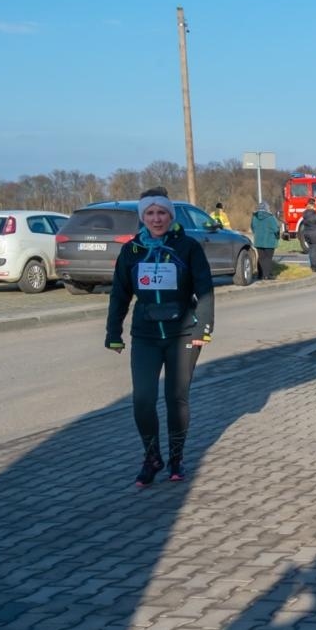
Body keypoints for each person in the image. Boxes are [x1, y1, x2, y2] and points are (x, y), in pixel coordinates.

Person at [105, 189, 215, 487]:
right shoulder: (132, 250)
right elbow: (119, 294)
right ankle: (152, 457)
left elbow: (204, 290)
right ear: (143, 217)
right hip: (146, 335)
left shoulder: (188, 247)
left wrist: (203, 328)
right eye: (150, 213)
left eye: (162, 213)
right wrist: (113, 332)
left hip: (182, 334)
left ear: (170, 216)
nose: (156, 218)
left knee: (175, 398)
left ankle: (176, 458)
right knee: (142, 399)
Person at [250, 204, 281, 280]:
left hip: (258, 241)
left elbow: (252, 227)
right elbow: (276, 229)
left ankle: (260, 275)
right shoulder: (270, 217)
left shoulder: (255, 217)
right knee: (268, 258)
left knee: (261, 258)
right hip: (269, 241)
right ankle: (267, 275)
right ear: (267, 208)